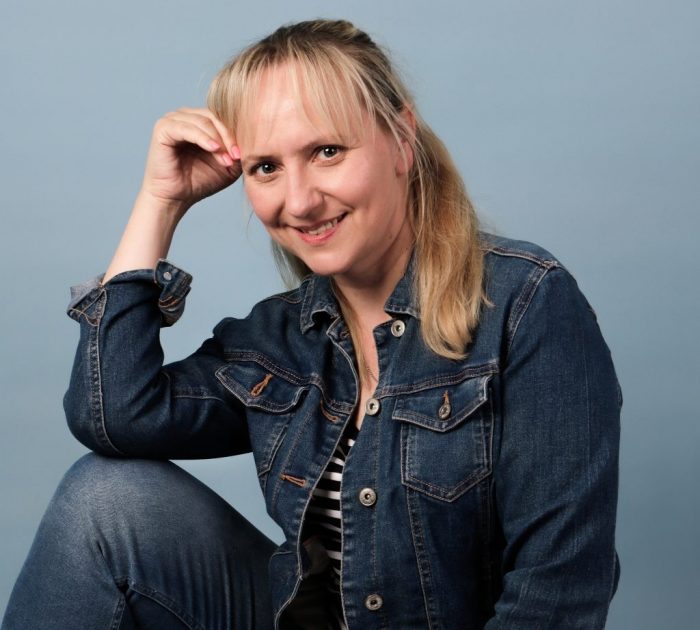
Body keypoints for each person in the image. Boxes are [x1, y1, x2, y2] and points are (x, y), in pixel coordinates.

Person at [2, 18, 621, 630]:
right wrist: (159, 202)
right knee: (103, 501)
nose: (298, 201)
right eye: (266, 167)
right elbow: (113, 414)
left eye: (327, 152)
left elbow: (558, 593)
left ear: (401, 137)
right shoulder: (284, 338)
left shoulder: (524, 302)